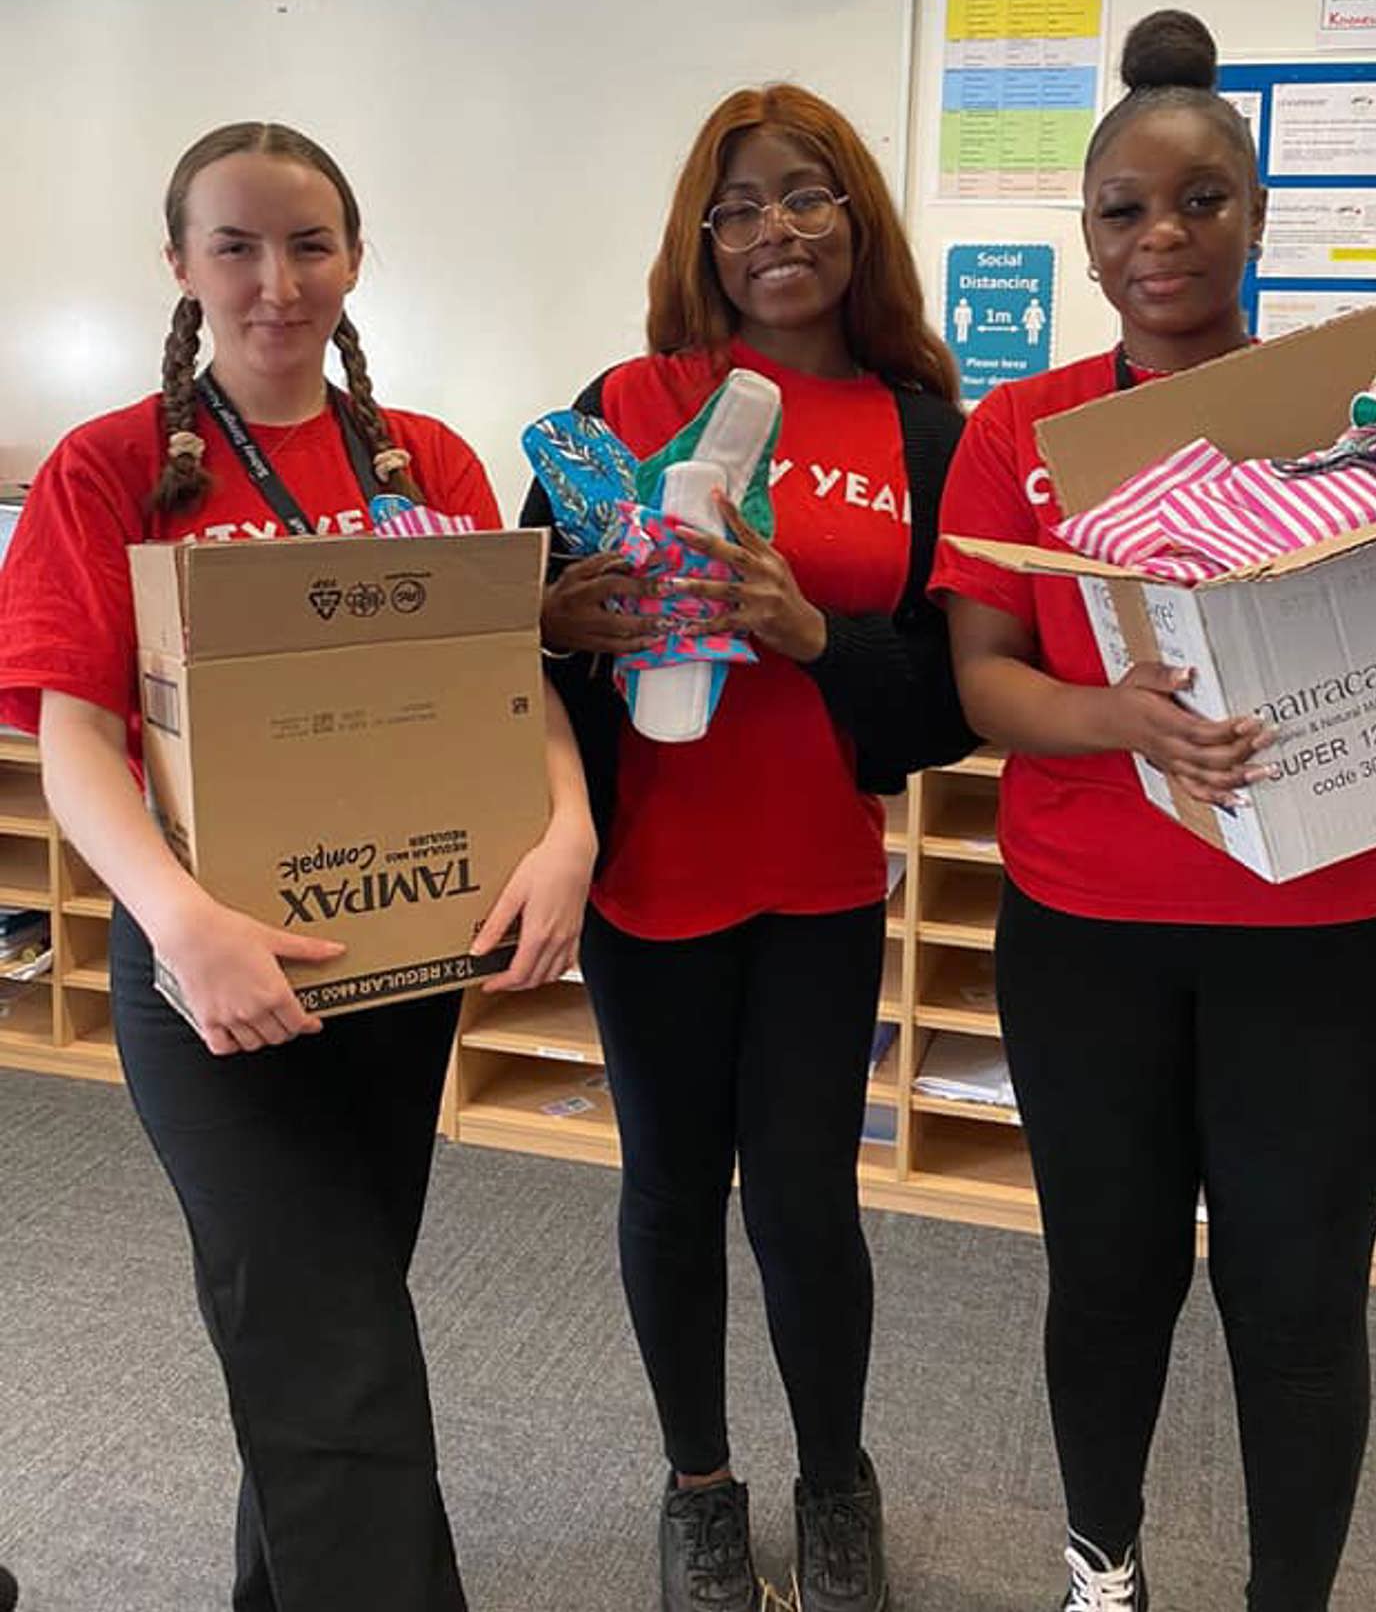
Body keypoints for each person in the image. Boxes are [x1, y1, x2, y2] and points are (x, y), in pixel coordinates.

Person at [932, 12, 1376, 1612]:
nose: (1165, 237)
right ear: (1085, 239)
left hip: (1327, 945)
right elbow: (986, 679)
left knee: (1297, 1299)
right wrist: (1117, 720)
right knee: (1110, 1280)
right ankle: (1105, 1567)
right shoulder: (1020, 434)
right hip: (1091, 939)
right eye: (1127, 210)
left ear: (1261, 216)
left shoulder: (1374, 415)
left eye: (1203, 200)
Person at [0, 123, 595, 1612]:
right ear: (183, 264)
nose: (279, 280)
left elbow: (510, 690)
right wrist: (184, 922)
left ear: (353, 253)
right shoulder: (110, 469)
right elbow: (75, 743)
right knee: (335, 1354)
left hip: (396, 974)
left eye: (310, 243)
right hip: (208, 975)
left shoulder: (430, 459)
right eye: (238, 245)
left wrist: (570, 829)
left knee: (319, 1327)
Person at [525, 84, 973, 1612]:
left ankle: (834, 1474)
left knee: (804, 1202)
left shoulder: (923, 428)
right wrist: (562, 618)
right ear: (700, 239)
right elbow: (521, 622)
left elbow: (945, 698)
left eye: (807, 194)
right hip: (652, 881)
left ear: (858, 217)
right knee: (668, 1188)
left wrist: (812, 630)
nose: (775, 228)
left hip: (823, 881)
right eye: (740, 205)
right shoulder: (626, 400)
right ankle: (699, 1483)